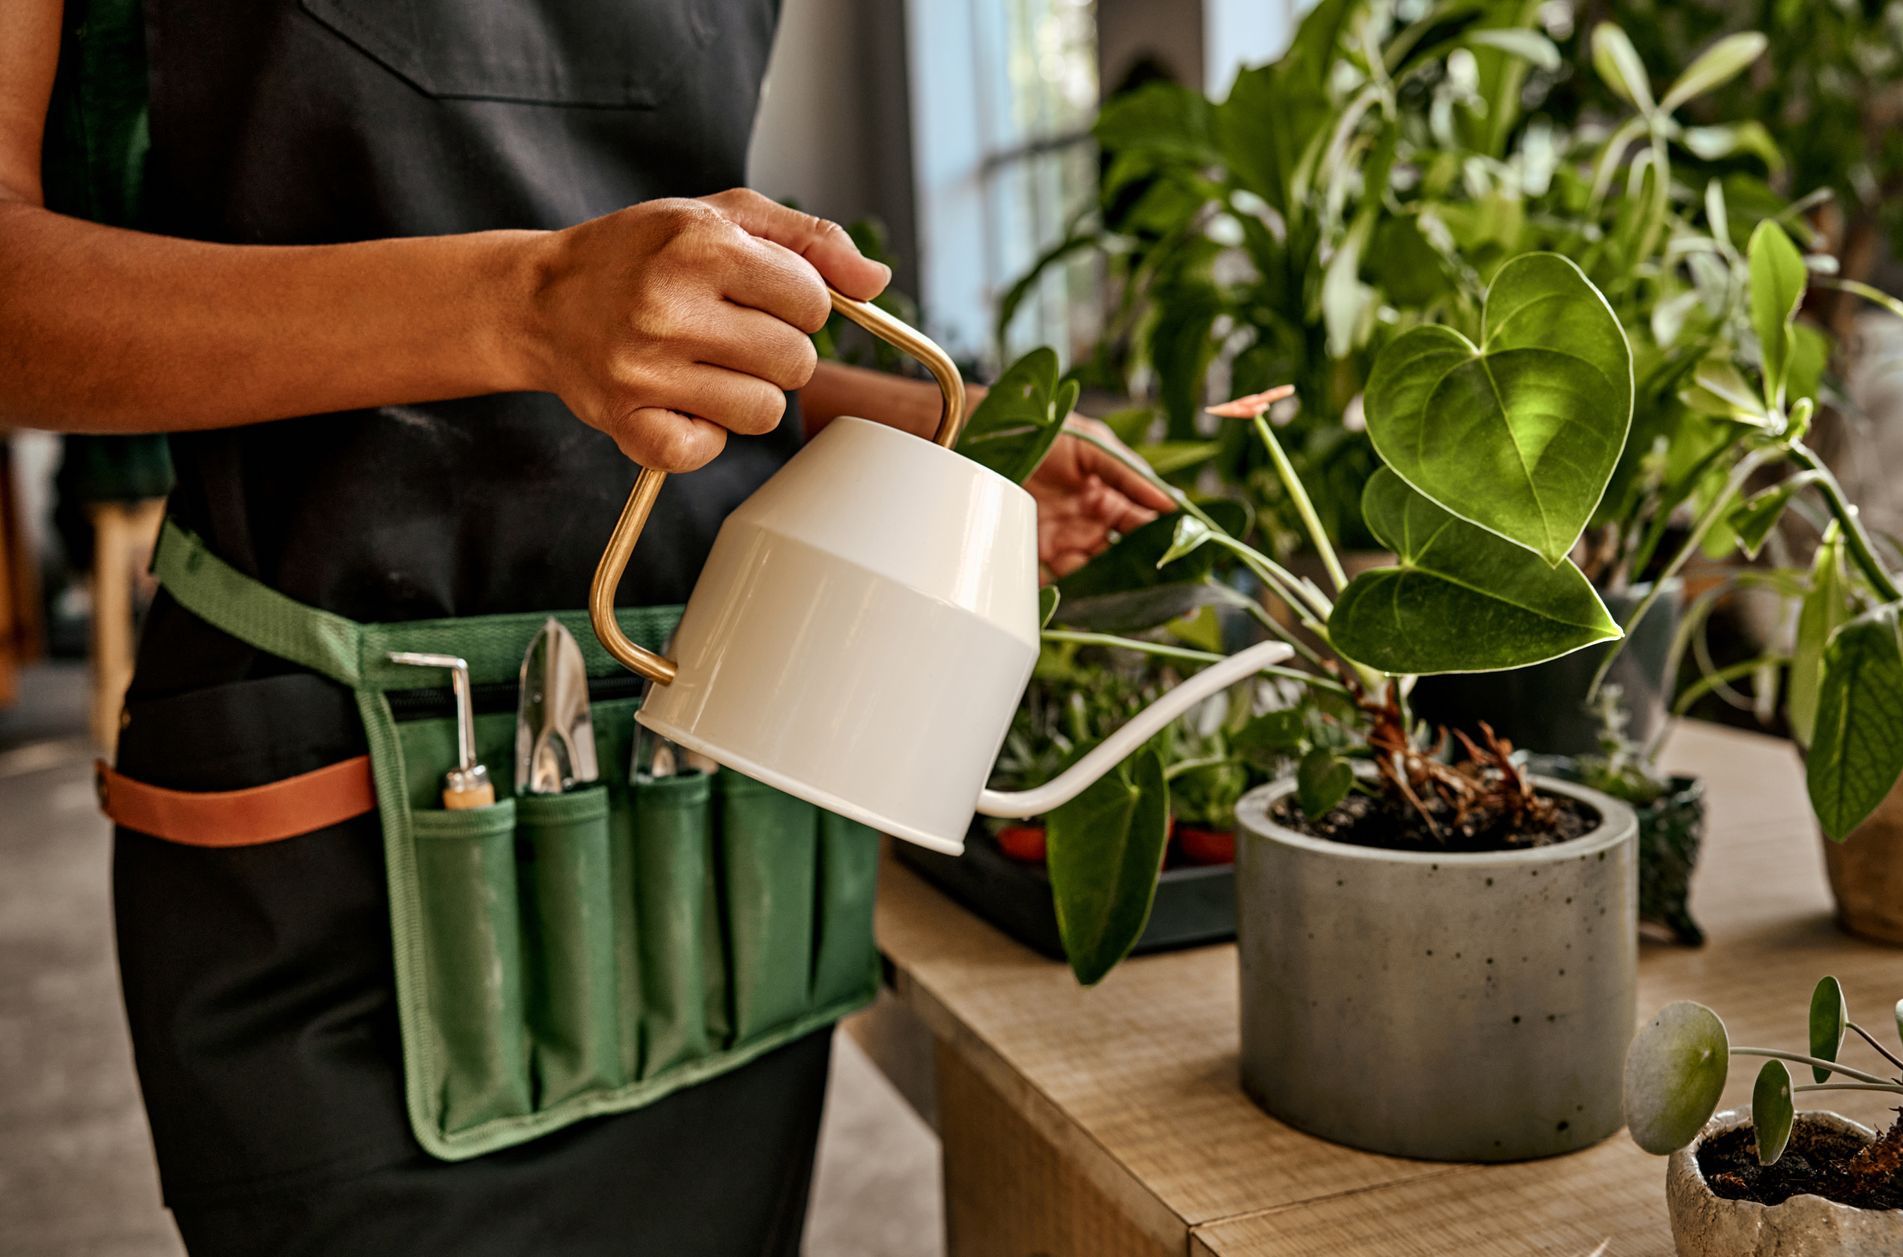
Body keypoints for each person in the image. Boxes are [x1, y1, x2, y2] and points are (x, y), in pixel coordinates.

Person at [0, 1, 1172, 1252]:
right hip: (340, 837)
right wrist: (528, 303)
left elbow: (663, 319)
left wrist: (915, 430)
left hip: (713, 803)